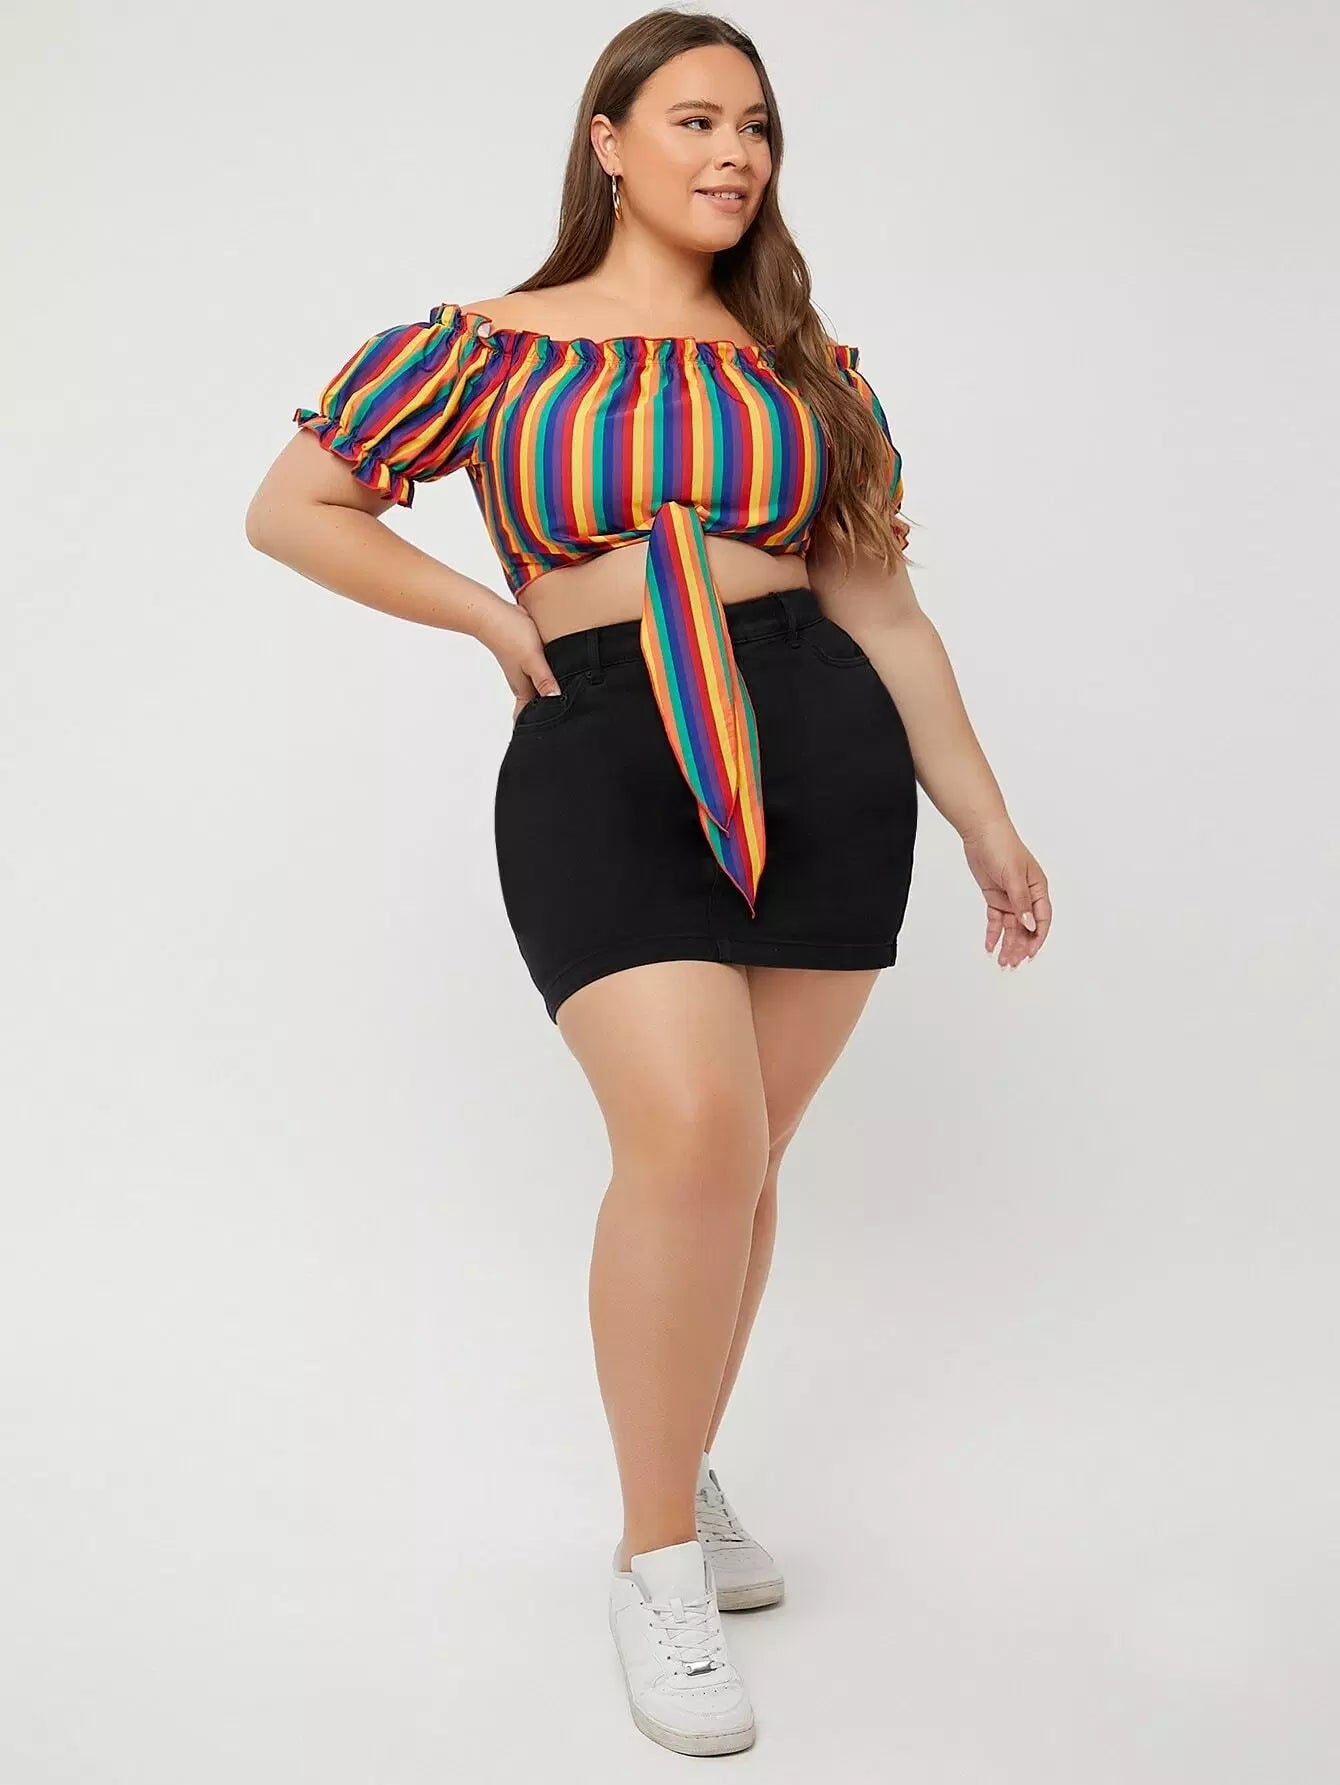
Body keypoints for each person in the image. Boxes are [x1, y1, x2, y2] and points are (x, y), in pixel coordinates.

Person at [245, 9, 1052, 1759]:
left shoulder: (811, 366)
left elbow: (884, 611)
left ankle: (674, 1461)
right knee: (687, 1134)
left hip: (819, 741)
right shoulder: (479, 347)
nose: (734, 153)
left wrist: (986, 820)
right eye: (695, 119)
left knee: (744, 1159)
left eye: (756, 127)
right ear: (607, 140)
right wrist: (484, 614)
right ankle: (658, 1560)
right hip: (602, 741)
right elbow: (294, 506)